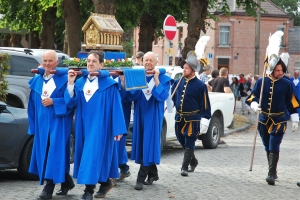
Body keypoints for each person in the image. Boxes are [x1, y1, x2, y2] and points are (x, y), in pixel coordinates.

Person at [66, 51, 127, 200]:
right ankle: (105, 182)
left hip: (101, 125)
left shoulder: (109, 85)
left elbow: (116, 107)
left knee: (92, 154)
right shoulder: (80, 83)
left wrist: (118, 128)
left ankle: (89, 191)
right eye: (88, 61)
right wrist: (71, 83)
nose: (90, 64)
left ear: (101, 65)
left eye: (94, 61)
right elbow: (70, 103)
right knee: (90, 156)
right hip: (83, 126)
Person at [121, 51, 172, 190]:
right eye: (146, 60)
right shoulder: (139, 77)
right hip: (139, 115)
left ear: (156, 63)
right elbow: (130, 96)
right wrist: (124, 82)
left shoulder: (164, 78)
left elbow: (162, 96)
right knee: (144, 144)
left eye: (151, 60)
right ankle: (153, 174)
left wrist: (156, 79)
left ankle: (140, 178)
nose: (148, 63)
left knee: (149, 143)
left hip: (153, 116)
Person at [27, 50, 75, 200]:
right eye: (45, 61)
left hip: (58, 122)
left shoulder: (64, 79)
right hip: (42, 124)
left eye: (50, 61)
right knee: (48, 152)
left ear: (57, 62)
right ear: (41, 62)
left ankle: (48, 188)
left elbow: (71, 102)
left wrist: (54, 101)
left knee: (54, 152)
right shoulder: (37, 80)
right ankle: (66, 181)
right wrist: (33, 126)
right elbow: (31, 106)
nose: (47, 64)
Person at [246, 58, 300, 186]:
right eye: (277, 70)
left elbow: (292, 103)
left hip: (279, 119)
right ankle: (273, 171)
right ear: (271, 70)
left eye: (281, 70)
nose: (280, 72)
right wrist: (254, 105)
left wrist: (294, 119)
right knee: (267, 146)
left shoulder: (287, 84)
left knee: (274, 144)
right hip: (263, 119)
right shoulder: (261, 82)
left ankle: (270, 174)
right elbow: (253, 96)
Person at [172, 51, 211, 176]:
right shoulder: (179, 81)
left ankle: (184, 167)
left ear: (193, 70)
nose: (184, 70)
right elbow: (173, 97)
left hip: (193, 118)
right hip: (179, 117)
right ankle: (193, 161)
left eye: (186, 68)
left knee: (189, 141)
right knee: (181, 140)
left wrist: (205, 120)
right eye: (183, 67)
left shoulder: (200, 86)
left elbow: (205, 104)